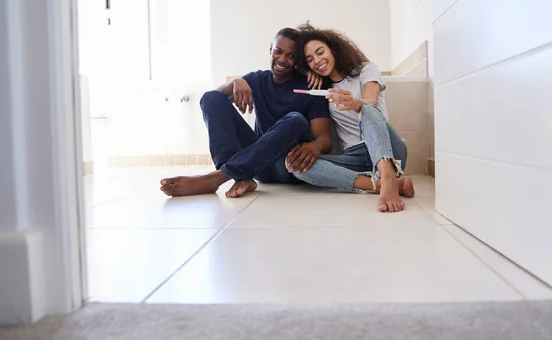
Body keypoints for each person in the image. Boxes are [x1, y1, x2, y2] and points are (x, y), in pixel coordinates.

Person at [160, 28, 332, 198]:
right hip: (256, 166)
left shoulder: (310, 88)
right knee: (210, 96)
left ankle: (217, 178)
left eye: (291, 56)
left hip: (289, 166)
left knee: (296, 120)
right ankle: (237, 176)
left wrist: (315, 146)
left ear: (297, 60)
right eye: (278, 52)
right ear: (270, 50)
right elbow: (213, 103)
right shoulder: (256, 79)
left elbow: (325, 139)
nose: (282, 59)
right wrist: (236, 82)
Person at [287, 23, 415, 212]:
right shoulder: (324, 89)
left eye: (321, 52)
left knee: (366, 108)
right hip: (355, 157)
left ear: (334, 48)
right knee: (296, 166)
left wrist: (356, 103)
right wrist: (306, 72)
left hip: (387, 148)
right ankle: (382, 185)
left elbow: (370, 101)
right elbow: (291, 73)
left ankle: (388, 177)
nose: (317, 60)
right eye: (310, 59)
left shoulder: (366, 69)